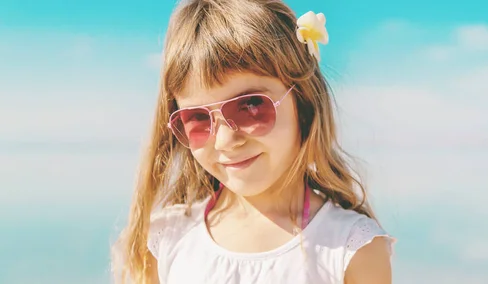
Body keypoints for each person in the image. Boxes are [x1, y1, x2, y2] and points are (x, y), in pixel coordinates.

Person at [111, 0, 396, 283]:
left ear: (304, 101)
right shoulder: (165, 241)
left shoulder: (352, 250)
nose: (225, 141)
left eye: (250, 106)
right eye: (197, 118)